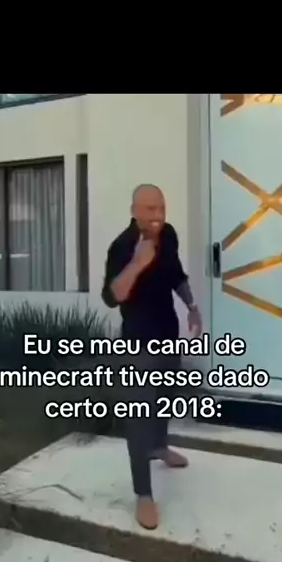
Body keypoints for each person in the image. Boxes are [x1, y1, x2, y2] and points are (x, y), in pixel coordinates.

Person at [101, 184, 202, 530]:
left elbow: (176, 275)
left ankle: (159, 447)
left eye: (161, 208)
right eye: (149, 209)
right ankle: (143, 495)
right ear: (134, 211)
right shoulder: (121, 246)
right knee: (139, 415)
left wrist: (192, 306)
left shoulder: (168, 235)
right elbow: (112, 296)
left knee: (167, 395)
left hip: (168, 335)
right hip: (139, 344)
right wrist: (137, 264)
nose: (157, 216)